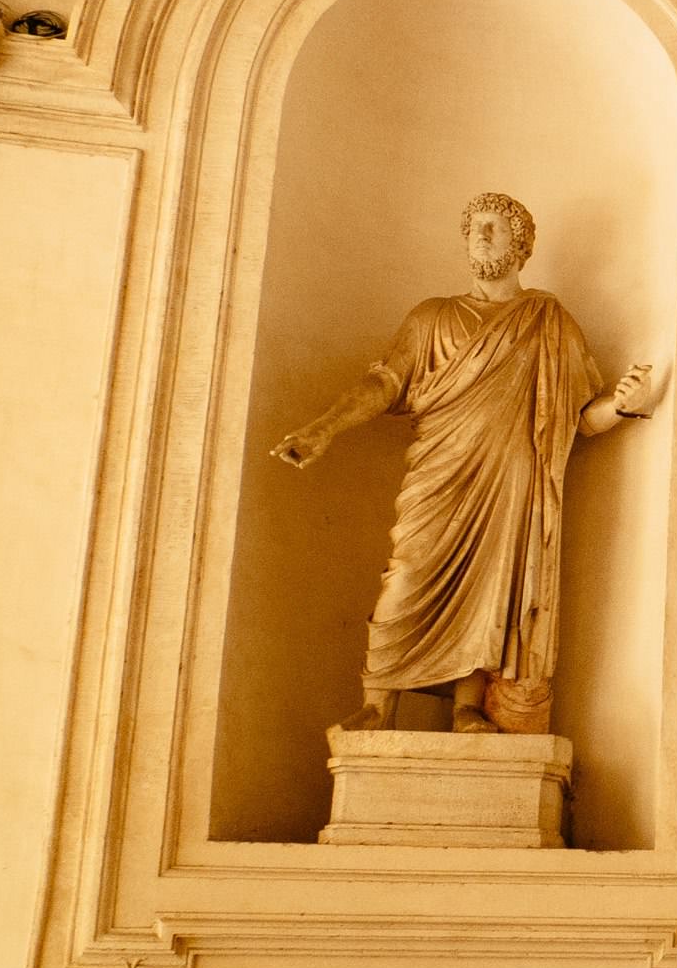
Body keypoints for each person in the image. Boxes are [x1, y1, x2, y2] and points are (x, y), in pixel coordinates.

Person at [271, 192, 657, 734]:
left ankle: (467, 707)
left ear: (521, 245)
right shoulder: (432, 316)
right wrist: (324, 428)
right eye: (474, 227)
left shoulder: (549, 323)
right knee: (407, 575)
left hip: (510, 484)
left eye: (495, 227)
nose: (481, 235)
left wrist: (621, 406)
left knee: (490, 589)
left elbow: (576, 422)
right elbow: (384, 382)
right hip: (438, 473)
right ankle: (378, 703)